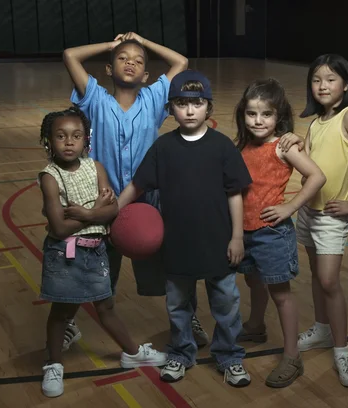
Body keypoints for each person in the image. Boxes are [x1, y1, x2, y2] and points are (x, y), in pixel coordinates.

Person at [62, 32, 209, 349]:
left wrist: (142, 41)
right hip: (103, 204)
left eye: (138, 61)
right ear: (109, 70)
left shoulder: (155, 100)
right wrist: (110, 45)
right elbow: (70, 55)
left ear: (146, 75)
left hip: (148, 204)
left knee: (172, 266)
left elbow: (180, 62)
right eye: (122, 58)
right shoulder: (95, 100)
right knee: (91, 268)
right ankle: (67, 323)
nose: (130, 62)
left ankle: (185, 319)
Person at [117, 70, 252, 386]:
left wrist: (236, 236)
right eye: (181, 103)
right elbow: (137, 186)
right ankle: (180, 354)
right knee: (178, 307)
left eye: (197, 103)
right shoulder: (163, 148)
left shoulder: (222, 147)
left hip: (219, 243)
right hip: (176, 244)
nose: (190, 110)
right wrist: (114, 213)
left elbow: (235, 194)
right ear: (171, 109)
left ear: (209, 107)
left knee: (227, 307)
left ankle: (229, 356)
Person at [38, 106, 166, 398]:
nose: (69, 142)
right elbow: (58, 228)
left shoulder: (95, 167)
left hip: (96, 251)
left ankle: (132, 353)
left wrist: (89, 212)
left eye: (76, 135)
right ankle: (53, 364)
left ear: (86, 140)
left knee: (106, 307)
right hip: (64, 254)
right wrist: (96, 212)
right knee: (61, 312)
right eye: (60, 136)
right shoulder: (49, 176)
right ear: (48, 141)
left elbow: (112, 210)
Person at [233, 78, 326, 387]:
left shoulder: (283, 147)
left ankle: (291, 357)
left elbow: (316, 176)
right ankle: (256, 325)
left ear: (278, 116)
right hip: (245, 230)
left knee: (280, 294)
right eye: (251, 114)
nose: (258, 121)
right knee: (253, 280)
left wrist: (290, 208)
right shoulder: (243, 144)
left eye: (266, 114)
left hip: (272, 233)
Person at [296, 54, 348, 388]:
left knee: (329, 280)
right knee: (316, 275)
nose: (323, 86)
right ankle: (321, 329)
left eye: (330, 79)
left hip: (332, 215)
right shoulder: (316, 122)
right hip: (309, 212)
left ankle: (342, 349)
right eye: (317, 80)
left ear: (346, 84)